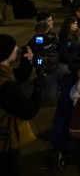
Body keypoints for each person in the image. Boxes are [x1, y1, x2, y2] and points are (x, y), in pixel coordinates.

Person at [0, 34, 40, 175]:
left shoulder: (4, 73)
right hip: (5, 142)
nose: (17, 48)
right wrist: (38, 90)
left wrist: (26, 61)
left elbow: (19, 75)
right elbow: (28, 110)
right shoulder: (6, 85)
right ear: (6, 53)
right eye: (13, 47)